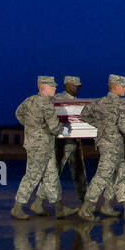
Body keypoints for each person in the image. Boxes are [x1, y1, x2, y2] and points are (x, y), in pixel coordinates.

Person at [76, 74, 125, 222]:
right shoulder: (120, 104)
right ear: (116, 87)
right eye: (123, 86)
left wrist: (100, 125)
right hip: (114, 145)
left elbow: (84, 114)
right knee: (102, 176)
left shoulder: (99, 102)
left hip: (106, 143)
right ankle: (85, 209)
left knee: (121, 177)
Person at [12, 76, 75, 220]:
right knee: (32, 176)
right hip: (41, 146)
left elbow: (18, 114)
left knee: (51, 176)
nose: (55, 88)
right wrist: (64, 129)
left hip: (37, 144)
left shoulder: (28, 101)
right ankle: (17, 207)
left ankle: (59, 209)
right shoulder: (46, 104)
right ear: (43, 87)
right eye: (51, 86)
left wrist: (31, 126)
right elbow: (54, 127)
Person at [54, 75, 87, 203]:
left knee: (79, 173)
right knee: (54, 172)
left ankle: (85, 202)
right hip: (60, 142)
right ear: (67, 85)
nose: (78, 88)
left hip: (74, 142)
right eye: (76, 86)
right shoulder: (56, 99)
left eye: (78, 86)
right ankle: (38, 202)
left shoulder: (78, 102)